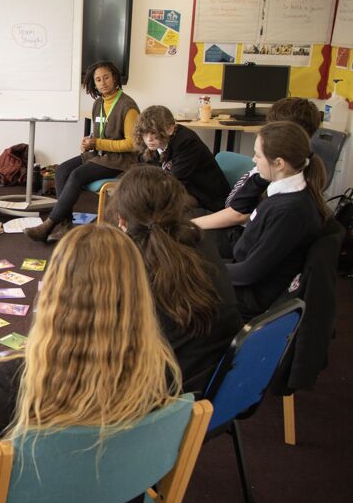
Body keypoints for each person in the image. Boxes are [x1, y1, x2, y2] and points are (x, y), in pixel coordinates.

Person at [0, 224, 182, 503]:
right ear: (138, 293)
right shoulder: (161, 369)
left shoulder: (10, 378)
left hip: (28, 502)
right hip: (118, 499)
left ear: (56, 290)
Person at [112, 165, 241, 393]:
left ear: (122, 221)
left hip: (170, 395)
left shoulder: (136, 268)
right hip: (221, 380)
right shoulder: (201, 240)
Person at [25, 61, 139, 243]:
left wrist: (98, 143)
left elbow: (132, 144)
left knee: (77, 175)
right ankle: (66, 225)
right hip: (99, 155)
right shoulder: (98, 104)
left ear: (115, 78)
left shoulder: (128, 106)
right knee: (61, 170)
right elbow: (99, 134)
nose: (102, 83)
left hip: (119, 160)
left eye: (106, 77)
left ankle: (49, 225)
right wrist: (89, 143)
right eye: (98, 80)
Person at [192, 97, 321, 257]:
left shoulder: (278, 177)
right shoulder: (277, 169)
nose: (255, 159)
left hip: (237, 235)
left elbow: (238, 215)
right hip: (234, 226)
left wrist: (191, 225)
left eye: (271, 126)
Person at [228, 121, 328, 318]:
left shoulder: (289, 212)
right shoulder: (284, 194)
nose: (253, 160)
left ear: (279, 163)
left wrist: (200, 271)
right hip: (244, 275)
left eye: (258, 155)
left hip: (250, 297)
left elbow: (250, 272)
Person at [134, 105, 230, 212]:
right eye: (145, 132)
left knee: (154, 204)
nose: (148, 139)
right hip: (180, 187)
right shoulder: (152, 143)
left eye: (153, 132)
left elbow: (173, 181)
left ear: (170, 129)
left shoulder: (187, 142)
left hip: (204, 195)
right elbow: (142, 172)